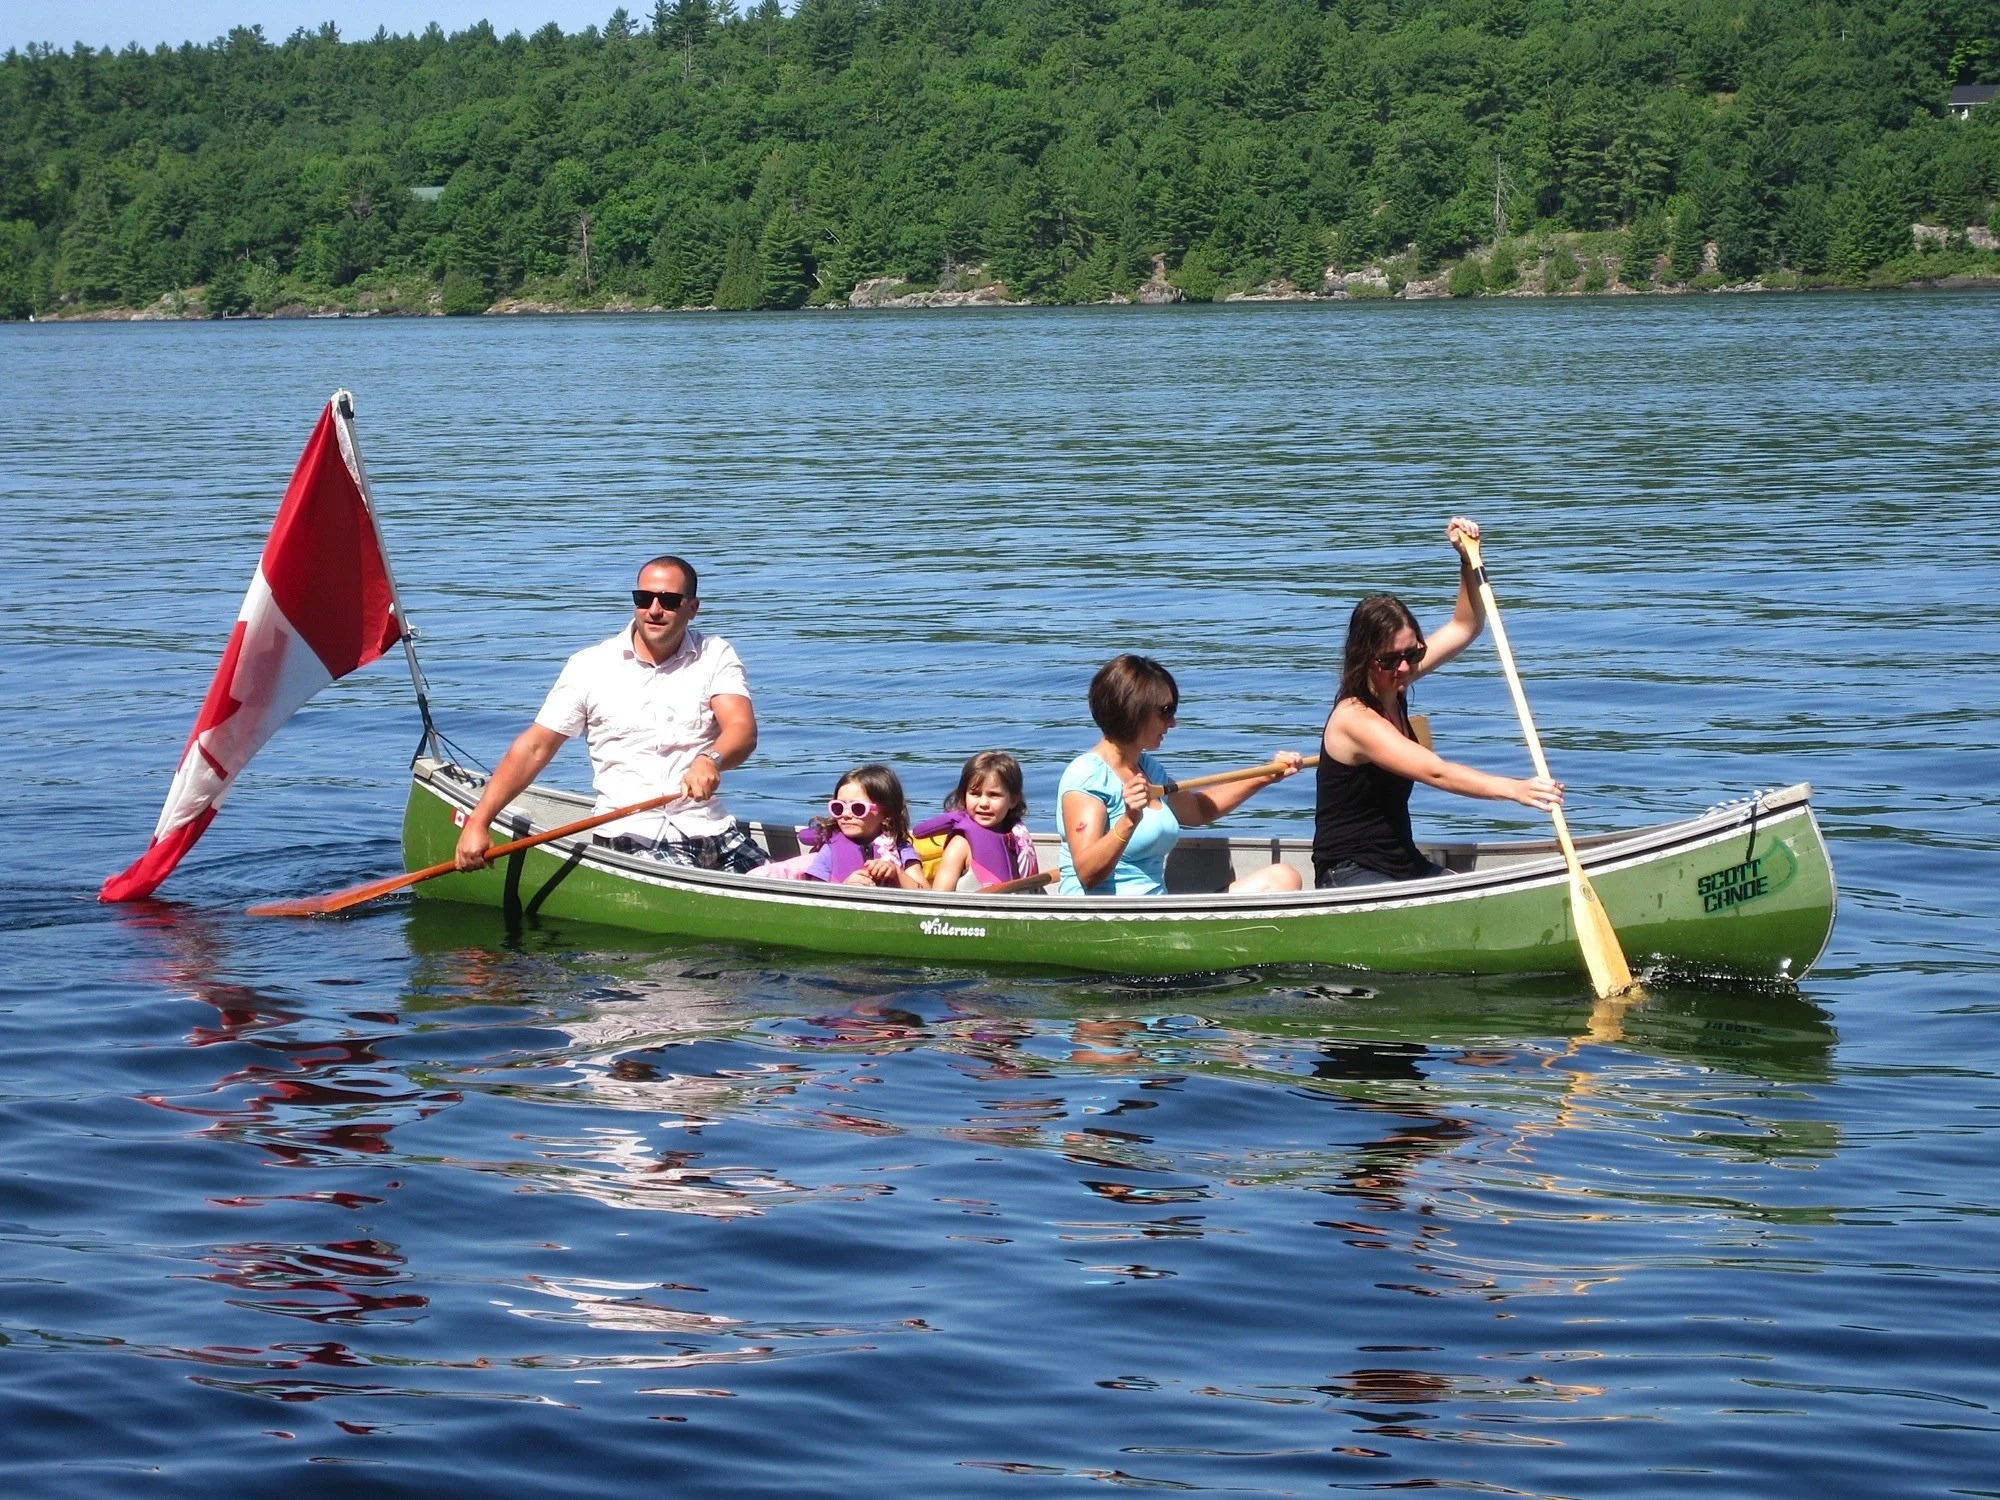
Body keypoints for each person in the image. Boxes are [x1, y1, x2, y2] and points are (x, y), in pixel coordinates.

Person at [453, 555, 767, 873]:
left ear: (692, 608)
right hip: (634, 838)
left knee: (793, 880)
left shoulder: (715, 654)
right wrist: (478, 822)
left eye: (669, 601)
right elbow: (535, 747)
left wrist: (709, 759)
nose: (654, 610)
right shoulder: (590, 666)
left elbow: (741, 729)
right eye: (644, 598)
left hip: (714, 830)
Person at [1315, 517, 1564, 888]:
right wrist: (1515, 789)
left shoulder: (1394, 681)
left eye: (1412, 655)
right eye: (1389, 660)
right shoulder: (1354, 718)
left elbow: (1465, 626)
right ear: (1365, 659)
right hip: (1349, 873)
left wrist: (1467, 560)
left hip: (1401, 861)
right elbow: (1435, 771)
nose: (1404, 668)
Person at [1057, 654, 1303, 897]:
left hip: (1156, 911)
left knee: (1283, 878)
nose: (1173, 722)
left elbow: (1199, 809)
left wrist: (1265, 776)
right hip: (1108, 918)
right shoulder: (1088, 776)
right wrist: (1129, 819)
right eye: (1165, 711)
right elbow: (1087, 874)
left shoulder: (1149, 769)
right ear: (1134, 711)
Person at [783, 763, 929, 888]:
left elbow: (926, 894)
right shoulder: (830, 849)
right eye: (838, 808)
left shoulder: (901, 849)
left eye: (858, 808)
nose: (845, 815)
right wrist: (845, 887)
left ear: (886, 814)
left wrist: (897, 873)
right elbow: (814, 897)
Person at [917, 751, 1039, 891]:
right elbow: (940, 897)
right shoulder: (960, 844)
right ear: (964, 796)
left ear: (1013, 800)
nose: (983, 803)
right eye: (975, 794)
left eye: (994, 795)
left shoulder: (1016, 836)